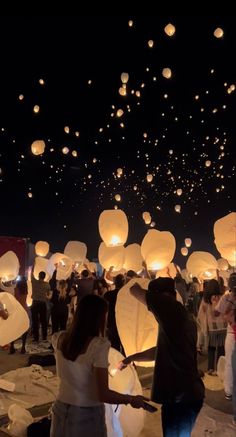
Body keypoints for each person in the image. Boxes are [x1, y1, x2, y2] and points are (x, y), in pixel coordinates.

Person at [50, 294, 147, 437]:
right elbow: (102, 393)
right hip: (86, 415)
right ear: (98, 318)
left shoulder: (59, 339)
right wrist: (131, 399)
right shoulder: (98, 346)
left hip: (61, 409)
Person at [121, 277, 205, 437]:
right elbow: (160, 350)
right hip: (183, 395)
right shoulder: (178, 318)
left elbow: (134, 290)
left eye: (152, 307)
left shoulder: (171, 310)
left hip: (181, 396)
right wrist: (131, 358)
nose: (150, 310)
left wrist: (141, 277)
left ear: (164, 297)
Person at [197, 279, 226, 374]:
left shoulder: (205, 299)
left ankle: (210, 369)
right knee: (221, 349)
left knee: (211, 349)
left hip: (211, 329)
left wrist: (204, 326)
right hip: (223, 327)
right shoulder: (222, 297)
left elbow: (201, 314)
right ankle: (219, 369)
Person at [215, 272, 236, 400]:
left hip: (231, 333)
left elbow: (216, 313)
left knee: (229, 362)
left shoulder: (226, 297)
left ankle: (229, 390)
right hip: (232, 332)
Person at [104, 274, 125, 352]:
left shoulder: (108, 295)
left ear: (114, 283)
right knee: (125, 347)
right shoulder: (126, 294)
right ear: (124, 283)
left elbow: (104, 311)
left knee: (114, 347)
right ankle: (125, 363)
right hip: (124, 323)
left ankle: (116, 362)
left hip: (111, 323)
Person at [31, 267, 51, 342]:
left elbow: (31, 275)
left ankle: (36, 338)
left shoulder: (34, 282)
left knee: (35, 321)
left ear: (39, 276)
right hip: (43, 304)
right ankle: (44, 336)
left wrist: (33, 267)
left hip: (35, 303)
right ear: (44, 277)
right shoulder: (47, 285)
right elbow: (48, 295)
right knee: (43, 321)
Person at [9, 276, 29, 354]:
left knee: (14, 329)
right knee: (24, 329)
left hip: (17, 310)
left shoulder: (15, 290)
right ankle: (23, 347)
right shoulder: (26, 290)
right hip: (24, 309)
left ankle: (12, 347)